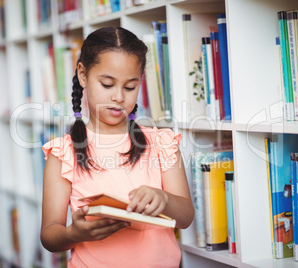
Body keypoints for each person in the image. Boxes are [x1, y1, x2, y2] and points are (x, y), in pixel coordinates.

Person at [40, 26, 194, 267]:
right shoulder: (64, 153)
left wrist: (164, 199)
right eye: (107, 84)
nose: (119, 97)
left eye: (130, 87)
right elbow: (49, 235)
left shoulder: (162, 143)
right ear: (83, 75)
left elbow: (185, 217)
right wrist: (75, 234)